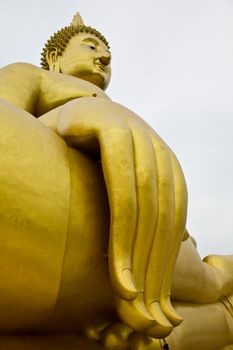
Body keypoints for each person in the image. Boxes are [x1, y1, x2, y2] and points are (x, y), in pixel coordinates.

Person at [0, 12, 232, 350]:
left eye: (107, 54)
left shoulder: (113, 111)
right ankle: (187, 332)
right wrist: (68, 113)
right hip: (64, 214)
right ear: (54, 58)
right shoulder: (29, 75)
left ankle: (220, 283)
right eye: (91, 46)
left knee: (211, 284)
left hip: (141, 222)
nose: (104, 58)